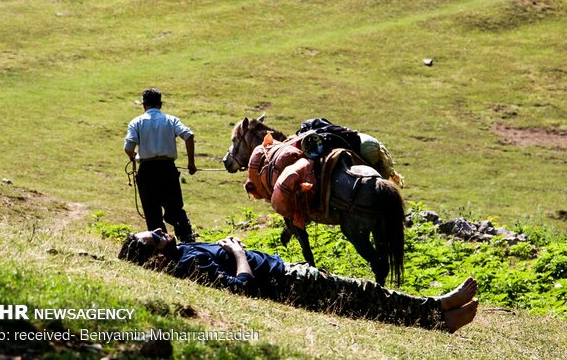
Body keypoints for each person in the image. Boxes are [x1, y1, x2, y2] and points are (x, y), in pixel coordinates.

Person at [118, 230, 479, 333]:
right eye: (155, 237)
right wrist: (239, 251)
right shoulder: (189, 261)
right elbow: (240, 290)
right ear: (158, 258)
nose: (159, 231)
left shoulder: (184, 254)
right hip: (286, 279)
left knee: (363, 300)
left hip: (284, 274)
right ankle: (437, 312)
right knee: (365, 294)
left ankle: (437, 314)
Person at [124, 88, 197, 242]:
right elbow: (188, 136)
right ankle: (188, 242)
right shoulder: (171, 120)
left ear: (144, 105)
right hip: (167, 169)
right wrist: (191, 163)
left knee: (152, 214)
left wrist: (135, 157)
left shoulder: (136, 122)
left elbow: (128, 147)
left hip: (147, 171)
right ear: (160, 104)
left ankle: (161, 248)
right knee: (175, 210)